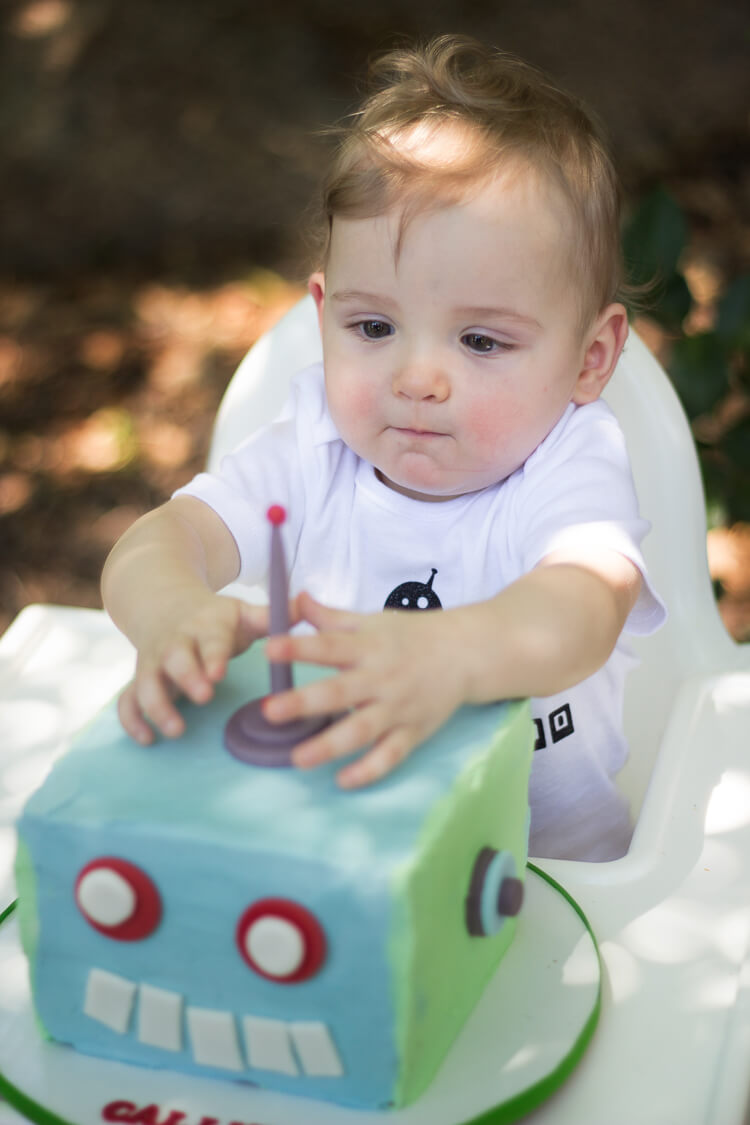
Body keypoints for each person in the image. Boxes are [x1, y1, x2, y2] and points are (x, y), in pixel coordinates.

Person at [102, 35, 665, 862]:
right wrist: (172, 613)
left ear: (590, 359)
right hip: (341, 849)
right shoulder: (314, 452)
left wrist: (449, 654)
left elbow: (584, 607)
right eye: (373, 327)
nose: (418, 377)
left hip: (547, 870)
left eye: (479, 340)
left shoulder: (568, 467)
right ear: (323, 313)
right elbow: (161, 541)